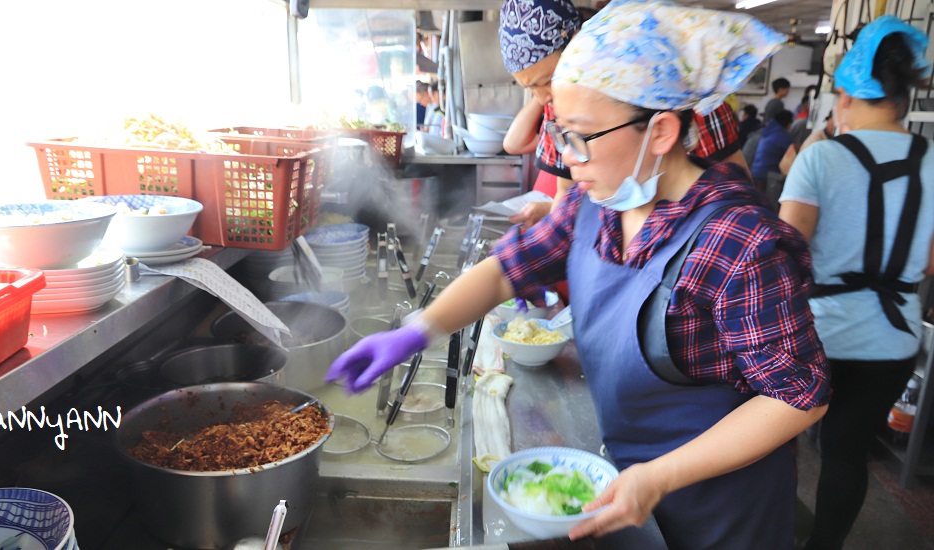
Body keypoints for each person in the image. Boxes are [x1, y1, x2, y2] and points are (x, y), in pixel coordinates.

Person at [328, 1, 830, 547]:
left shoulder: (739, 240)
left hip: (724, 513)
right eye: (561, 133)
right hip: (629, 485)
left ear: (660, 131)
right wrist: (416, 330)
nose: (568, 159)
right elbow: (504, 272)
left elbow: (798, 394)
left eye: (581, 137)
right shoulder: (596, 206)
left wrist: (660, 477)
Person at [778, 16, 934, 550]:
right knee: (846, 450)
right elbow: (930, 262)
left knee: (779, 440)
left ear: (844, 94)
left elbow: (787, 248)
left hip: (817, 334)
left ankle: (765, 527)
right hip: (892, 340)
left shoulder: (819, 157)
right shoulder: (933, 161)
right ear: (904, 96)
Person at [499, 0, 582, 228]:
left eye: (546, 82)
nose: (543, 97)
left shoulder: (611, 98)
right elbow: (565, 192)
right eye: (531, 89)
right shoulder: (555, 111)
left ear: (575, 43)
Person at [751, 109, 794, 189]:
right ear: (788, 123)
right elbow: (793, 156)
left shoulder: (769, 131)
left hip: (756, 172)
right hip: (766, 176)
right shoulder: (783, 136)